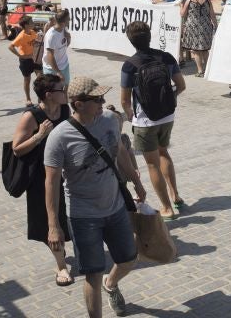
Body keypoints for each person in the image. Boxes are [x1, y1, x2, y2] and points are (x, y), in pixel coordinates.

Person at [44, 77, 146, 318]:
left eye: (102, 97)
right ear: (78, 104)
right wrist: (53, 225)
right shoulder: (59, 137)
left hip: (116, 207)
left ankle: (110, 284)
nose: (102, 102)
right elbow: (51, 182)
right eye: (96, 99)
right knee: (93, 273)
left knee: (129, 258)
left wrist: (137, 181)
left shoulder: (110, 120)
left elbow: (119, 151)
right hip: (83, 216)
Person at [11, 74, 74, 287]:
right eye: (61, 89)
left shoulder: (65, 110)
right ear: (49, 95)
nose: (65, 93)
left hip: (65, 172)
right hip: (40, 176)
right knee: (50, 219)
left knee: (69, 215)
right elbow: (17, 149)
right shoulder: (31, 116)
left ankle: (74, 252)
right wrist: (39, 135)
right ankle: (61, 265)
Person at [120, 21, 187, 221]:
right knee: (163, 152)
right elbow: (181, 85)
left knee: (152, 164)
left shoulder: (129, 65)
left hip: (145, 120)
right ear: (150, 36)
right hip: (167, 116)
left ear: (130, 41)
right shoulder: (166, 57)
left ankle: (166, 207)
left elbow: (124, 100)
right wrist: (170, 99)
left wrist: (131, 115)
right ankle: (176, 196)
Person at [179, 0, 217, 77]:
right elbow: (212, 15)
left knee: (196, 50)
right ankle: (209, 69)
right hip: (206, 26)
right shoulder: (207, 0)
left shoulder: (190, 0)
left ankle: (200, 70)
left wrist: (181, 6)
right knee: (204, 49)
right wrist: (216, 26)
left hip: (193, 27)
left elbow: (182, 14)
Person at [9, 16, 43, 106]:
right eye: (31, 22)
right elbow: (10, 46)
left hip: (35, 59)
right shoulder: (21, 36)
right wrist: (19, 55)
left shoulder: (33, 32)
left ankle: (40, 97)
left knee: (40, 78)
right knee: (27, 79)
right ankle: (28, 99)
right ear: (26, 25)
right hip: (25, 61)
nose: (33, 23)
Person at [43, 10, 71, 85]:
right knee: (53, 93)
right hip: (52, 69)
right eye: (68, 19)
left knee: (65, 87)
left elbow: (65, 46)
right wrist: (58, 72)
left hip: (64, 65)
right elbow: (50, 55)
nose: (70, 20)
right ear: (63, 22)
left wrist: (68, 38)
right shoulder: (51, 36)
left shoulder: (64, 28)